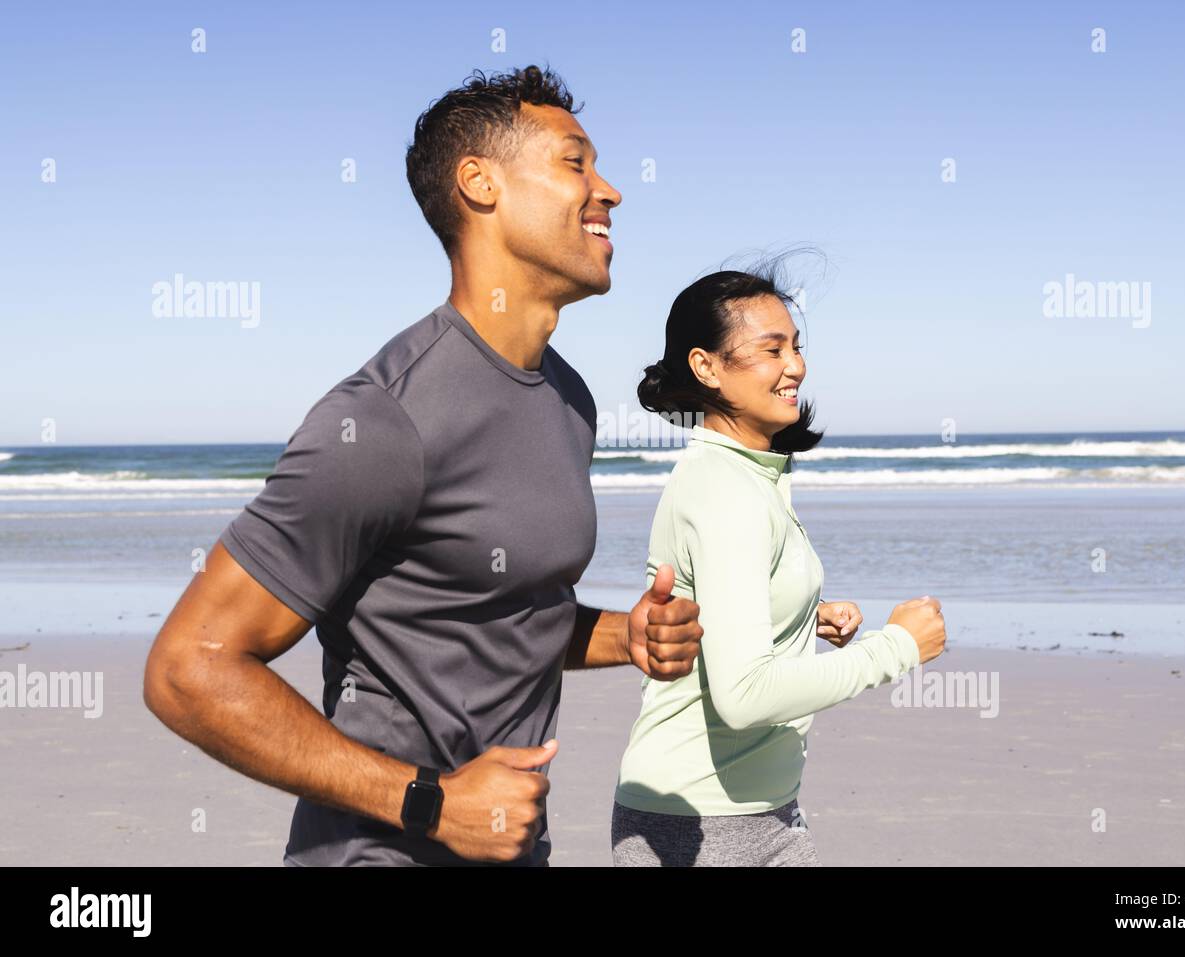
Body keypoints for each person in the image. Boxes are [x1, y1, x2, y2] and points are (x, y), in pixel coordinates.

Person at [143, 64, 704, 867]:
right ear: (480, 184)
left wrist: (628, 635)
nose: (609, 189)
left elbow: (496, 609)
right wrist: (428, 802)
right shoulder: (383, 418)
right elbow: (187, 668)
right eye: (575, 162)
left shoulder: (569, 398)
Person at [610, 265, 948, 866]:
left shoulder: (750, 473)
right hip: (699, 828)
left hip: (763, 812)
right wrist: (898, 647)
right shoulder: (726, 488)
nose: (796, 365)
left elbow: (725, 603)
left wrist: (797, 616)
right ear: (706, 366)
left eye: (796, 347)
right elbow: (745, 696)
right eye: (772, 350)